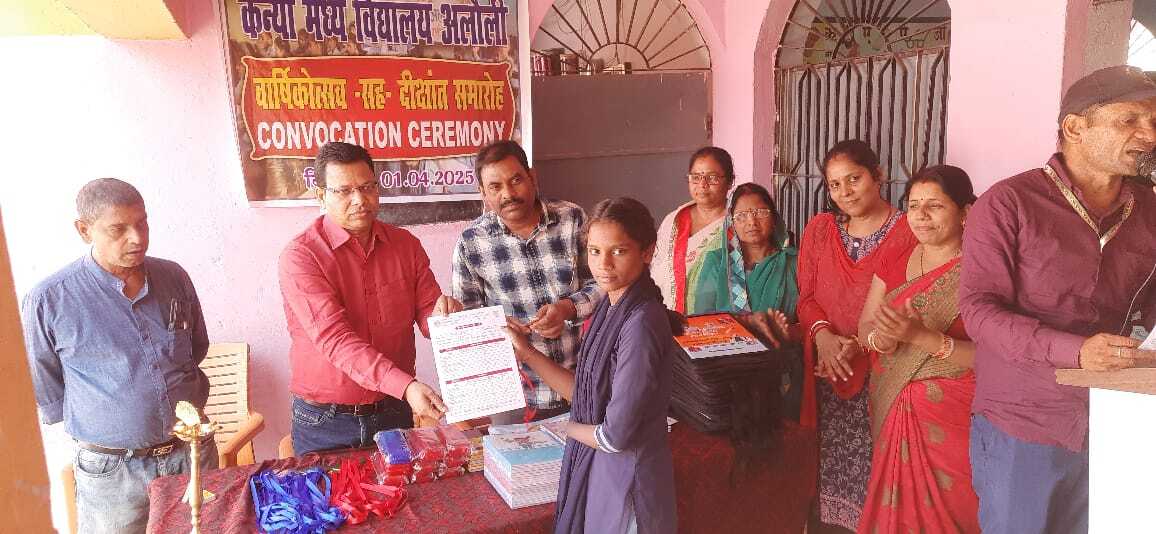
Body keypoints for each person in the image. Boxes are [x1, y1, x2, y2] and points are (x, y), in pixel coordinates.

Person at [959, 65, 1156, 533]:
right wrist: (1075, 351)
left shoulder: (1149, 209)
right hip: (1026, 425)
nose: (1149, 135)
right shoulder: (1008, 203)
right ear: (1075, 127)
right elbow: (979, 311)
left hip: (1119, 421)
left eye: (1154, 122)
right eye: (1130, 120)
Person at [21, 178, 216, 533]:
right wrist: (116, 418)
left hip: (189, 454)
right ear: (84, 230)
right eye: (118, 229)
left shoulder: (173, 277)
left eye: (142, 223)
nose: (137, 238)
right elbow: (46, 385)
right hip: (112, 473)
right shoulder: (50, 299)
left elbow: (195, 348)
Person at [505, 197, 682, 534]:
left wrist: (563, 429)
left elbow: (614, 436)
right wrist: (526, 353)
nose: (604, 264)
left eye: (619, 251)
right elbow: (583, 394)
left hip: (629, 480)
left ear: (647, 252)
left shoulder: (641, 322)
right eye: (595, 251)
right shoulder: (609, 308)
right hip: (606, 471)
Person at [279, 141, 461, 455]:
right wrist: (406, 386)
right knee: (328, 490)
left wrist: (449, 317)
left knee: (404, 489)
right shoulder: (302, 256)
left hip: (393, 410)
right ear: (321, 195)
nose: (359, 200)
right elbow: (335, 340)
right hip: (326, 421)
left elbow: (429, 313)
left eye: (367, 187)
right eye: (344, 191)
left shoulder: (405, 245)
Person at [797, 140, 916, 533]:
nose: (845, 192)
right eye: (835, 184)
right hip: (827, 371)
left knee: (880, 469)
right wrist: (824, 338)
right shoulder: (820, 230)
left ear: (877, 175)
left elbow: (913, 301)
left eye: (854, 179)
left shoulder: (908, 231)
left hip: (883, 372)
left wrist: (856, 346)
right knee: (828, 466)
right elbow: (806, 299)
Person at [855, 166, 979, 534]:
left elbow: (996, 356)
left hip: (956, 421)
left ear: (966, 212)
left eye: (935, 206)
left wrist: (921, 336)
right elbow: (866, 326)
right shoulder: (894, 260)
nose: (921, 216)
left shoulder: (984, 269)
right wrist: (882, 340)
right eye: (913, 205)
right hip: (893, 403)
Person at [452, 140, 603, 424]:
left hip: (579, 384)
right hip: (515, 399)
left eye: (516, 180)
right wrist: (495, 327)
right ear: (483, 193)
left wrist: (568, 308)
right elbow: (466, 321)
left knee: (584, 452)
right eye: (495, 187)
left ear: (532, 177)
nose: (508, 194)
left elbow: (603, 283)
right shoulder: (471, 243)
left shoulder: (571, 219)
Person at [691, 182, 798, 319]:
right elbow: (702, 319)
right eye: (741, 216)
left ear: (774, 219)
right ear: (731, 223)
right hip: (726, 333)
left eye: (760, 212)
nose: (752, 222)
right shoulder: (717, 262)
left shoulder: (793, 263)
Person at [652, 146, 734, 314]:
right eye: (696, 177)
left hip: (718, 317)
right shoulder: (674, 220)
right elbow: (656, 266)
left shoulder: (738, 222)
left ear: (730, 182)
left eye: (712, 178)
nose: (703, 185)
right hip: (666, 314)